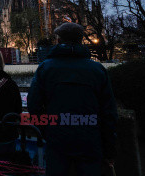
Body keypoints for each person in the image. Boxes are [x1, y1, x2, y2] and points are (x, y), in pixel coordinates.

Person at [28, 22, 118, 175]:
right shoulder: (97, 69)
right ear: (81, 40)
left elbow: (34, 106)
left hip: (57, 139)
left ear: (58, 40)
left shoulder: (45, 68)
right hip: (90, 139)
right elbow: (109, 113)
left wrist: (48, 130)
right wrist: (109, 150)